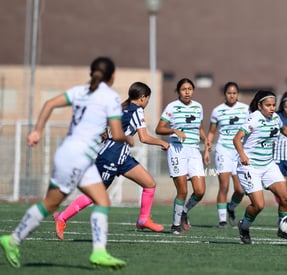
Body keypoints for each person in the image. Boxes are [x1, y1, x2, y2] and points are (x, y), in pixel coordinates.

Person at [0, 57, 127, 269]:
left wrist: (37, 130)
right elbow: (116, 133)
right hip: (78, 156)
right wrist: (128, 137)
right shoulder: (110, 97)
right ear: (112, 76)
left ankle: (99, 251)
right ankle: (12, 240)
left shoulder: (80, 90)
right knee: (50, 204)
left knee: (102, 201)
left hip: (72, 154)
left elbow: (49, 104)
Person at [53, 82, 170, 240]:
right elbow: (144, 137)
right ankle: (62, 217)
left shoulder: (121, 108)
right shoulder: (137, 111)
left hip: (122, 158)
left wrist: (103, 132)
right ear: (143, 98)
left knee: (149, 184)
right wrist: (162, 142)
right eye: (148, 99)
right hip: (110, 156)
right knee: (96, 195)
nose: (147, 102)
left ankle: (143, 219)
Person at [233, 90, 287, 245]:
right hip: (250, 167)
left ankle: (283, 229)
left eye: (273, 105)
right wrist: (243, 155)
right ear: (260, 106)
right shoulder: (254, 119)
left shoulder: (275, 118)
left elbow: (283, 128)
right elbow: (237, 139)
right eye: (268, 105)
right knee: (259, 205)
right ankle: (244, 227)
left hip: (268, 164)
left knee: (285, 198)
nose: (272, 108)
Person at [155, 78, 210, 235]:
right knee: (182, 191)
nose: (187, 92)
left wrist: (206, 142)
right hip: (177, 150)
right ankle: (175, 225)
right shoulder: (171, 107)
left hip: (193, 151)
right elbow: (159, 128)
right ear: (178, 91)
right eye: (184, 89)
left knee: (200, 191)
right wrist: (174, 131)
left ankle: (184, 212)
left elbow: (199, 128)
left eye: (190, 89)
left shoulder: (198, 107)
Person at [204, 82, 249, 228]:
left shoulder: (245, 109)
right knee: (224, 186)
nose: (232, 95)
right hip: (223, 150)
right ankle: (222, 220)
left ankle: (231, 207)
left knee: (240, 190)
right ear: (225, 94)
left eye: (234, 93)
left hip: (239, 151)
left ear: (238, 94)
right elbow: (211, 132)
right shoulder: (217, 111)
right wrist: (207, 149)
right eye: (229, 93)